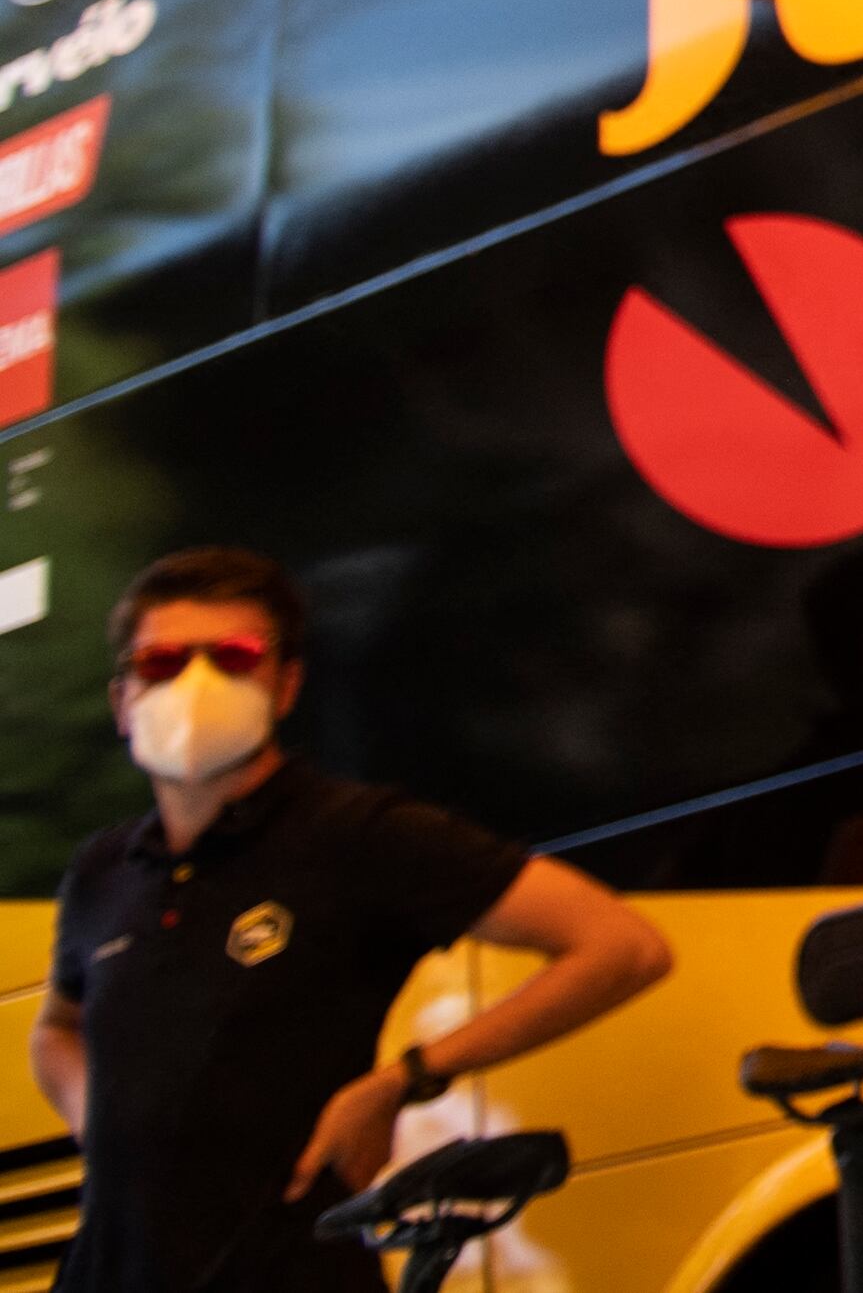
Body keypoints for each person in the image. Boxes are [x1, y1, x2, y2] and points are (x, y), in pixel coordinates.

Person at [33, 549, 675, 1293]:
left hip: (291, 1272)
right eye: (164, 660)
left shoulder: (358, 833)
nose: (196, 684)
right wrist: (102, 1122)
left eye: (234, 656)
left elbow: (621, 947)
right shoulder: (103, 869)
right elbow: (56, 1027)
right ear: (123, 699)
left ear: (286, 684)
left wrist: (406, 1078)